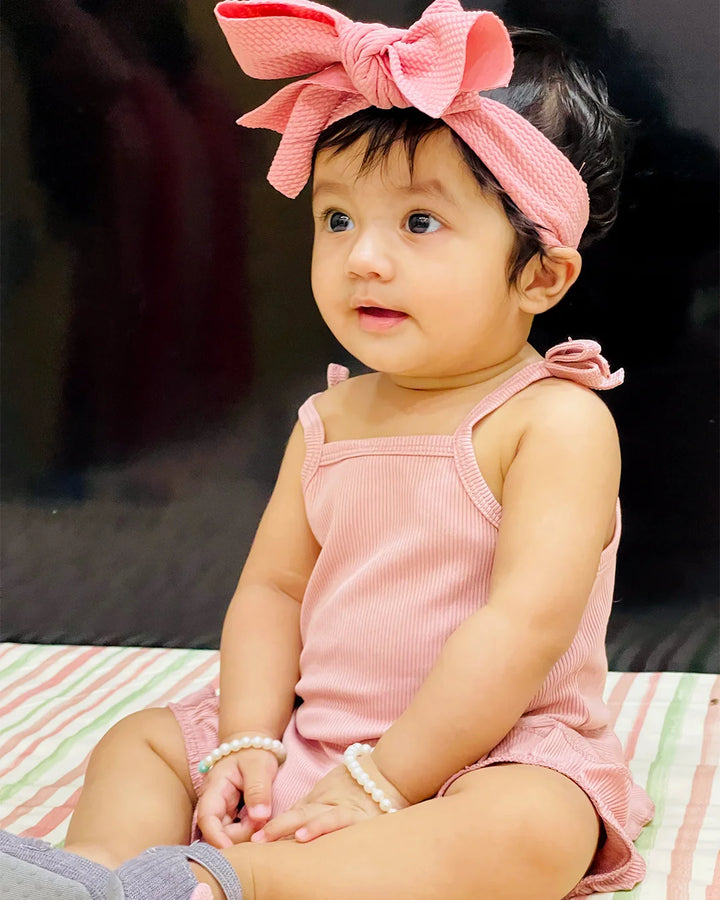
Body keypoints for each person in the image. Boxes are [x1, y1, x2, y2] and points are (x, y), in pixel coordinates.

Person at [0, 1, 655, 898]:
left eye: (419, 224)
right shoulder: (330, 420)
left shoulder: (554, 423)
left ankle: (233, 883)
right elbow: (272, 590)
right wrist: (250, 741)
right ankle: (105, 877)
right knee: (140, 740)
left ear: (539, 273)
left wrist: (386, 778)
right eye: (338, 219)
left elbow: (521, 629)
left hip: (483, 754)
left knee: (538, 827)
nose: (362, 260)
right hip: (313, 734)